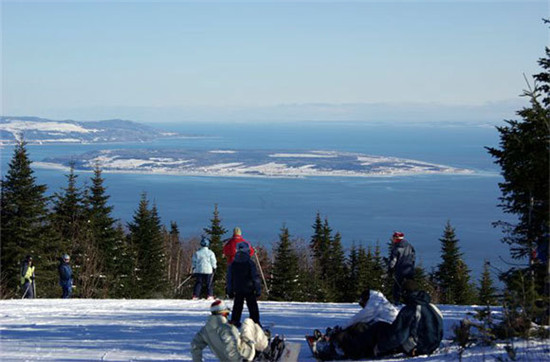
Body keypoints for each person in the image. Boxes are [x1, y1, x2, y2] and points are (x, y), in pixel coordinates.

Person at [311, 289, 398, 360]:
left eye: (362, 303)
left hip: (384, 332)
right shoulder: (379, 302)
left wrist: (341, 328)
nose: (363, 305)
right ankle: (337, 343)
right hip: (385, 331)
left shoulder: (375, 304)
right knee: (357, 327)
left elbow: (357, 318)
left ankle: (336, 348)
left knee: (355, 330)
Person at [373, 280, 444, 358]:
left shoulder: (410, 309)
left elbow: (399, 336)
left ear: (405, 293)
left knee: (380, 327)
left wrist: (381, 347)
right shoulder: (433, 308)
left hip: (417, 348)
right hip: (433, 346)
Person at [191, 299, 269, 362]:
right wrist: (240, 360)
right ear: (223, 313)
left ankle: (263, 344)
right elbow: (230, 348)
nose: (227, 316)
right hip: (245, 356)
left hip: (228, 359)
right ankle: (268, 349)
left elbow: (195, 346)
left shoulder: (205, 330)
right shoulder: (225, 328)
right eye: (226, 314)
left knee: (244, 331)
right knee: (248, 323)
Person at [226, 242, 262, 327]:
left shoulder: (233, 264)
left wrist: (229, 290)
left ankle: (235, 321)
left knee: (237, 306)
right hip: (249, 288)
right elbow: (255, 277)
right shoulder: (250, 263)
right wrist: (258, 289)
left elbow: (229, 278)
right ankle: (255, 322)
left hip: (237, 288)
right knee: (252, 306)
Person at [389, 231, 416, 304]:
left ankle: (396, 301)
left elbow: (394, 259)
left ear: (397, 238)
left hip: (400, 269)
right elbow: (413, 257)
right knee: (410, 286)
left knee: (397, 286)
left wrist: (391, 268)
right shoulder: (409, 246)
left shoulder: (396, 247)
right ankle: (411, 300)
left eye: (394, 237)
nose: (392, 239)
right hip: (409, 268)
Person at [192, 236, 217, 300]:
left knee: (198, 283)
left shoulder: (197, 253)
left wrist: (194, 268)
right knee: (209, 283)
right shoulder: (210, 253)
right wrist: (214, 267)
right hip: (208, 270)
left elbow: (194, 261)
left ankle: (195, 295)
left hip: (199, 270)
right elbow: (213, 261)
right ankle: (210, 295)